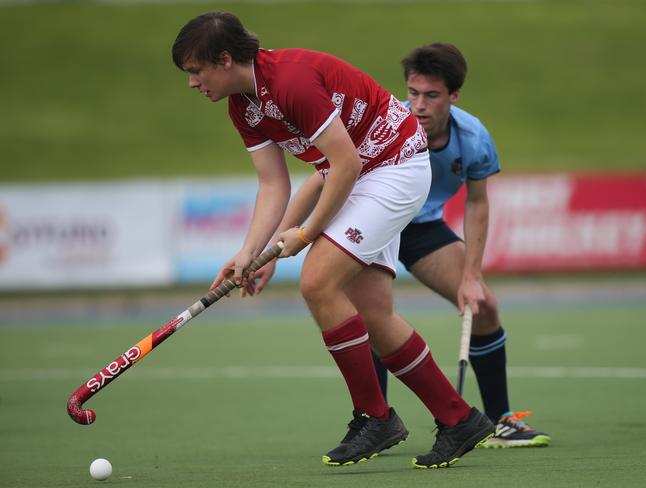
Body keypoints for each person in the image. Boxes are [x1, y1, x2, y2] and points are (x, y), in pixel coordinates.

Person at [172, 12, 494, 469]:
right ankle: (458, 418)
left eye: (195, 71)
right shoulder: (242, 106)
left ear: (223, 60)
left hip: (394, 166)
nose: (192, 83)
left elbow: (344, 165)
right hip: (362, 176)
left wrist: (304, 234)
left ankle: (375, 417)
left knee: (318, 281)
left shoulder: (291, 81)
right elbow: (273, 186)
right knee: (375, 314)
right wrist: (250, 253)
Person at [372, 42, 550, 448]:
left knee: (483, 305)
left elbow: (477, 201)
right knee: (370, 315)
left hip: (420, 228)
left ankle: (499, 421)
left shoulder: (472, 136)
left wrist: (471, 276)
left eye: (431, 95)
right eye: (413, 93)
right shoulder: (386, 126)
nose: (418, 105)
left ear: (454, 95)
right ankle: (376, 423)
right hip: (374, 225)